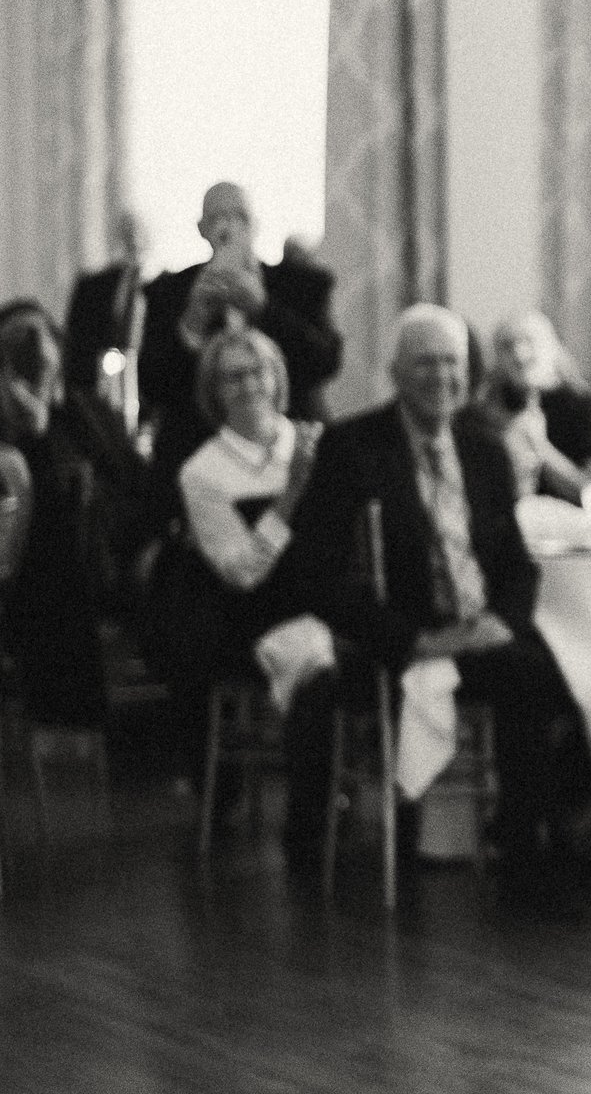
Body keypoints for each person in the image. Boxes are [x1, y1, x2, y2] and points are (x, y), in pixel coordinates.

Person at [282, 304, 581, 891]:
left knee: (557, 677)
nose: (441, 378)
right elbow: (318, 575)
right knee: (524, 678)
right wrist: (411, 638)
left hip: (477, 633)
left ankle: (530, 845)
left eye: (452, 364)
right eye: (424, 364)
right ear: (394, 372)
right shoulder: (352, 449)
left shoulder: (485, 448)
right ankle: (516, 854)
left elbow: (516, 565)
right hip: (393, 637)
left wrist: (501, 620)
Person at [148, 321, 320, 782]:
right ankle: (314, 802)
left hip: (319, 600)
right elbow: (241, 572)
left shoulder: (313, 444)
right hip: (247, 614)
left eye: (259, 371)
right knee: (318, 664)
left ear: (277, 378)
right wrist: (292, 495)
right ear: (215, 392)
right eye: (233, 377)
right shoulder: (203, 472)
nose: (249, 385)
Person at [138, 184, 342, 456]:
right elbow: (151, 386)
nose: (229, 229)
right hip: (197, 446)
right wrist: (193, 322)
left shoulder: (303, 285)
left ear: (255, 225)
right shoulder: (168, 291)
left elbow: (325, 361)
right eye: (218, 219)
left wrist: (264, 308)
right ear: (202, 229)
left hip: (292, 445)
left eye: (240, 217)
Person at [0, 303, 109, 729]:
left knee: (63, 563)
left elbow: (111, 485)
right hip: (23, 571)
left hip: (79, 562)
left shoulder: (79, 415)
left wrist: (44, 429)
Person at [477, 313, 591, 502]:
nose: (519, 354)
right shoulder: (485, 408)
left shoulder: (585, 407)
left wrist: (539, 446)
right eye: (508, 345)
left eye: (529, 341)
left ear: (552, 347)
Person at [61, 206, 150, 418]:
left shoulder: (159, 288)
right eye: (128, 235)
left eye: (137, 234)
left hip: (146, 391)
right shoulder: (91, 286)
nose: (133, 242)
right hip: (96, 393)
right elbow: (75, 343)